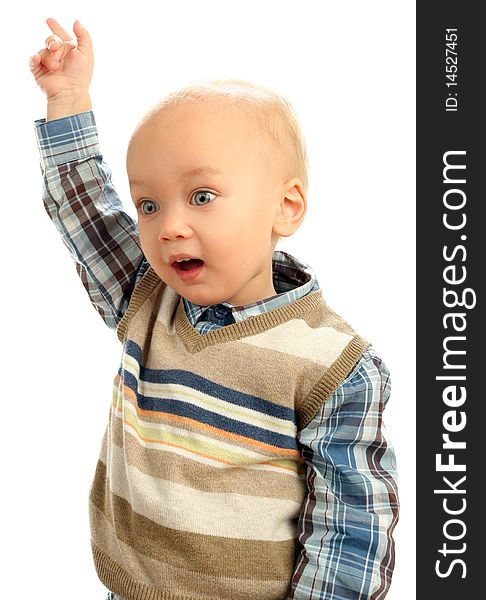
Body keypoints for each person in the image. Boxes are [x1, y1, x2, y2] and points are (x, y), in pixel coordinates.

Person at [30, 17, 399, 600]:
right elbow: (87, 214)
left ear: (286, 206)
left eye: (202, 197)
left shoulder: (334, 364)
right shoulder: (146, 299)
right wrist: (69, 100)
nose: (169, 225)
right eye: (148, 204)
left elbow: (351, 531)